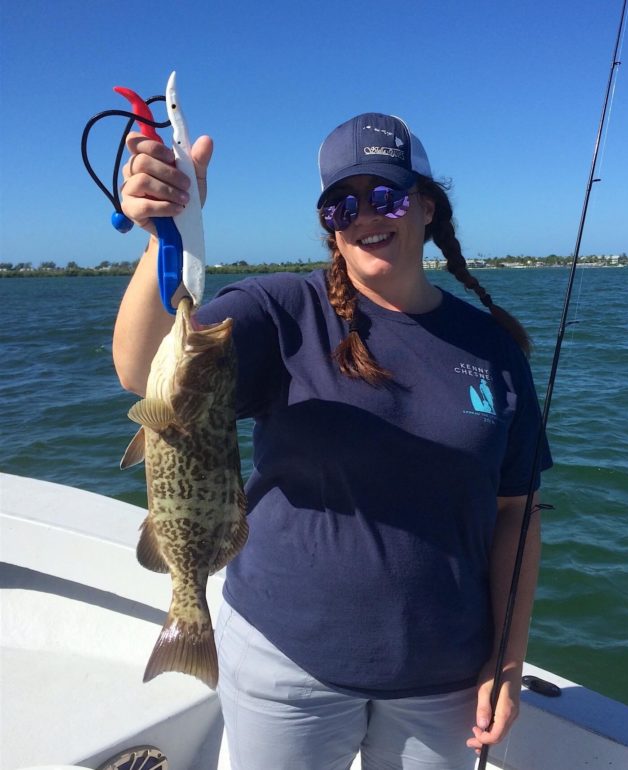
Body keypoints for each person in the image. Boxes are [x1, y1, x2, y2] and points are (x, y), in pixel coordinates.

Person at [113, 112, 551, 770]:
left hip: (446, 680)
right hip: (282, 662)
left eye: (388, 196)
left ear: (426, 208)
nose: (365, 215)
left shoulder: (492, 349)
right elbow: (144, 368)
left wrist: (507, 662)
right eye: (342, 204)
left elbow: (515, 513)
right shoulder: (283, 309)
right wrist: (166, 238)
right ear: (329, 224)